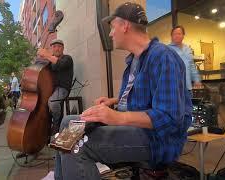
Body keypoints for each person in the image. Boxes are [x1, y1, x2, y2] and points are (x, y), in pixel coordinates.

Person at [54, 2, 192, 180]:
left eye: (112, 27)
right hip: (135, 127)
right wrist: (114, 101)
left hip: (158, 140)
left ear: (125, 25)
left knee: (75, 145)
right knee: (68, 123)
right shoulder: (133, 61)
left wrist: (116, 117)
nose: (110, 33)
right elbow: (142, 99)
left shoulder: (163, 56)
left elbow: (170, 117)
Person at [37, 39, 74, 134]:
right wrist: (40, 58)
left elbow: (60, 64)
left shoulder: (67, 58)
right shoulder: (50, 61)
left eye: (59, 46)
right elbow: (39, 69)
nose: (57, 48)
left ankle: (57, 126)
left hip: (62, 88)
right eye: (54, 46)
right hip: (50, 89)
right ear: (52, 49)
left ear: (63, 48)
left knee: (53, 102)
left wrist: (47, 55)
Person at [168, 26, 202, 94]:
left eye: (179, 33)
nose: (177, 36)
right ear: (171, 36)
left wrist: (196, 80)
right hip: (174, 89)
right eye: (174, 34)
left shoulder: (188, 49)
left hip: (188, 88)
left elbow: (192, 66)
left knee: (189, 104)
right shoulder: (167, 49)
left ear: (183, 35)